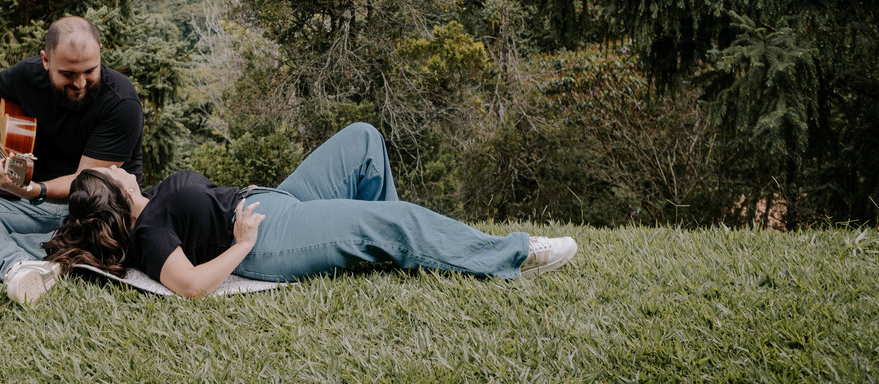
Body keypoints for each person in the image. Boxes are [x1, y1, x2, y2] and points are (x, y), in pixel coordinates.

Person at [42, 122, 577, 300]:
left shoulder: (152, 201)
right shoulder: (150, 231)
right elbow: (189, 286)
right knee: (398, 220)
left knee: (363, 139)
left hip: (279, 199)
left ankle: (394, 249)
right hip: (274, 237)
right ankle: (514, 253)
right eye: (110, 171)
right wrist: (245, 244)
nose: (118, 166)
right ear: (112, 190)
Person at [0, 16, 144, 305]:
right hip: (35, 203)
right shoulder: (29, 74)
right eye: (68, 74)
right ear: (45, 61)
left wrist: (35, 190)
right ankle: (11, 253)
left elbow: (85, 182)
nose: (80, 83)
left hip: (93, 211)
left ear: (100, 50)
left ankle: (5, 261)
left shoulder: (121, 103)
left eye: (90, 70)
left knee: (93, 237)